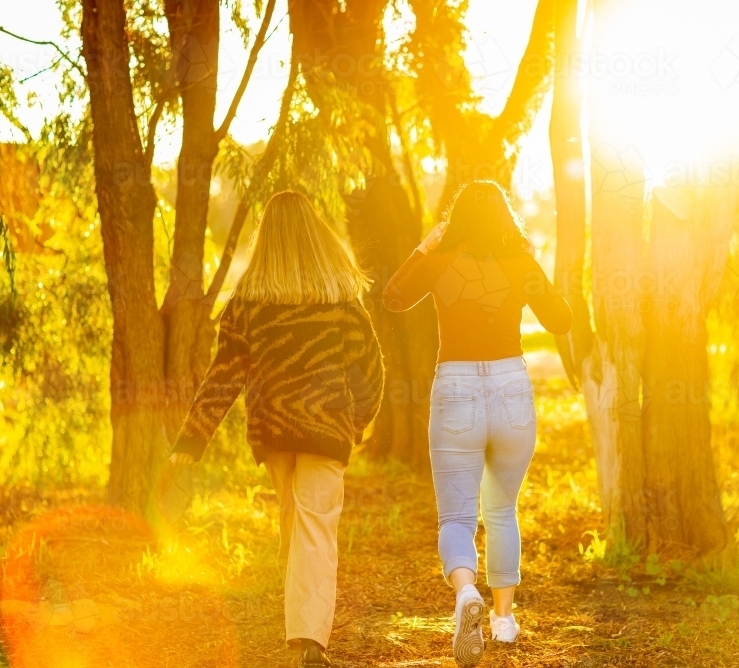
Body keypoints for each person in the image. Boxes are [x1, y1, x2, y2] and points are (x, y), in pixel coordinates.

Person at [168, 190, 384, 668]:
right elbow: (370, 369)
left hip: (273, 430)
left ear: (267, 238)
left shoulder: (249, 301)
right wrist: (358, 420)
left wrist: (193, 437)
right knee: (314, 526)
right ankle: (309, 641)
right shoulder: (340, 299)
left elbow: (224, 373)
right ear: (315, 234)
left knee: (296, 521)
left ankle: (302, 633)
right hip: (325, 428)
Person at [383, 180, 571, 665]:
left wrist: (426, 244)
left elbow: (394, 296)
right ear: (505, 218)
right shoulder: (519, 261)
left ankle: (466, 593)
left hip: (457, 388)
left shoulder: (442, 259)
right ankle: (504, 621)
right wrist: (531, 264)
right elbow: (562, 319)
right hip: (511, 386)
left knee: (458, 518)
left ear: (458, 219)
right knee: (502, 509)